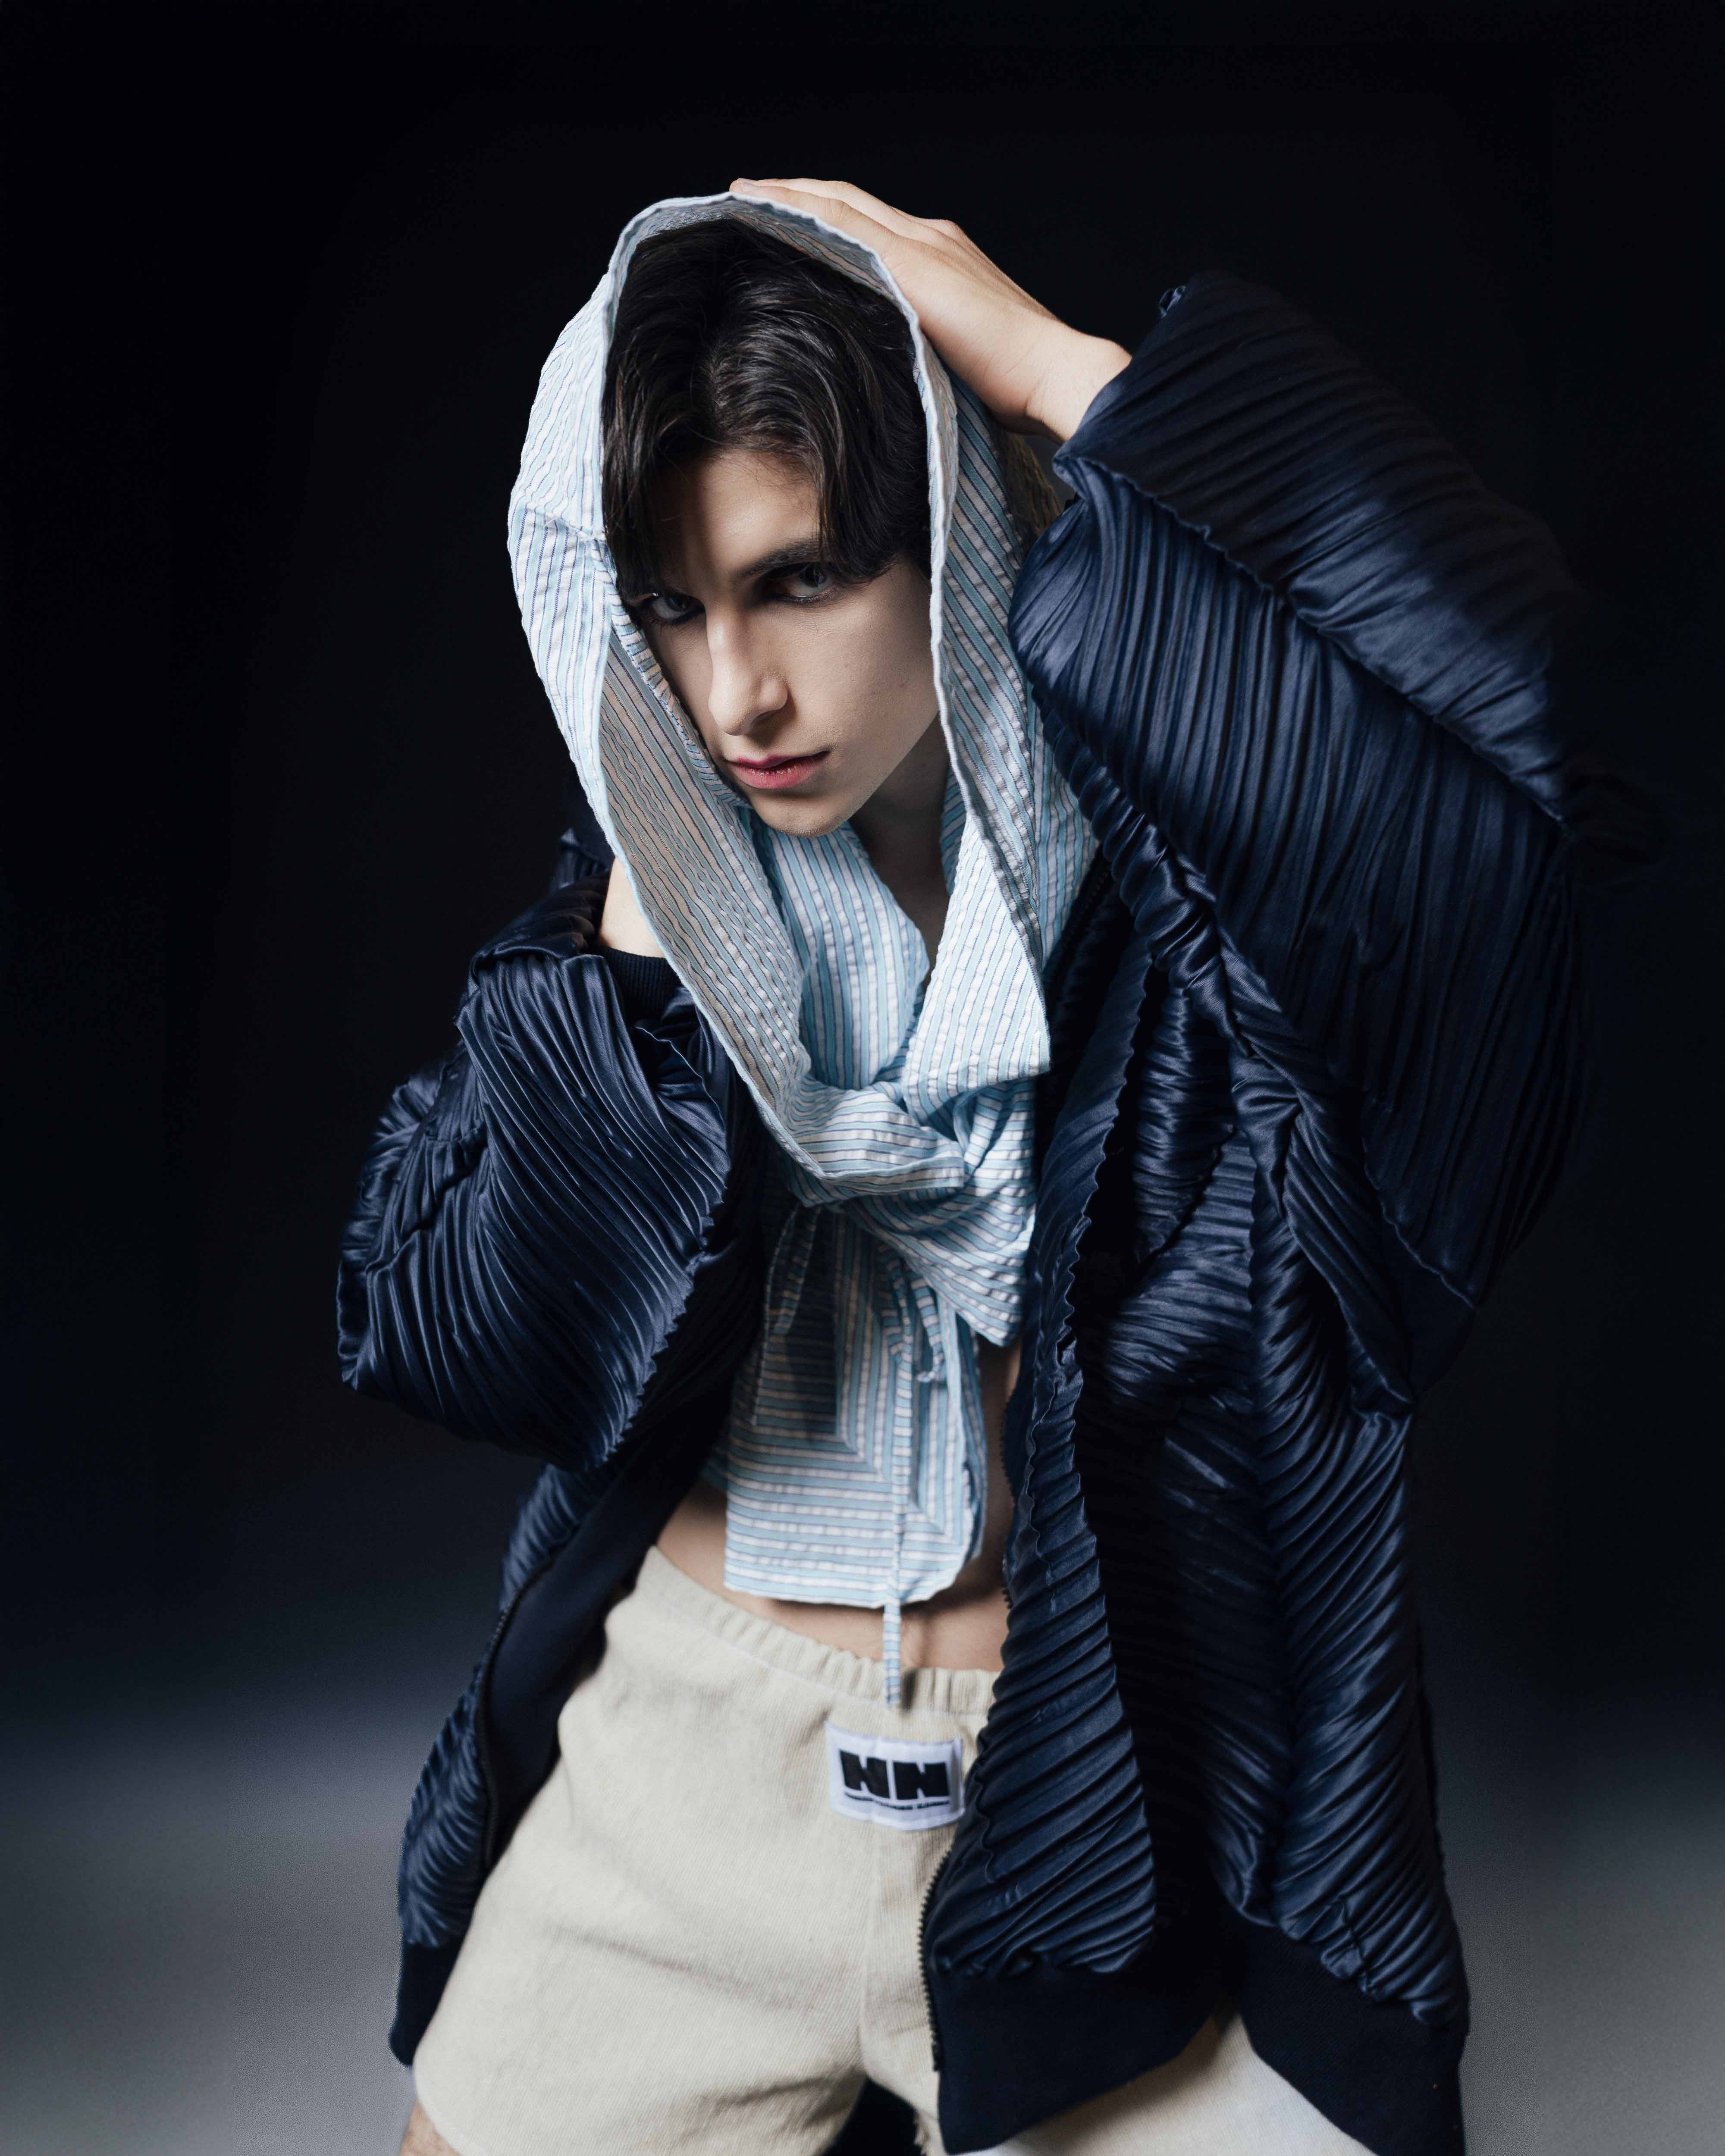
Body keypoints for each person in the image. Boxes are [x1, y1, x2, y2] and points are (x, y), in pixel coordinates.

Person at [339, 180, 1613, 2156]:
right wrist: (645, 963)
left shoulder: (1190, 909)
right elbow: (461, 1337)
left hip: (1097, 1806)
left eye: (799, 580)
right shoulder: (631, 925)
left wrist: (1066, 376)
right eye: (668, 605)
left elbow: (1523, 764)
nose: (735, 696)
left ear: (950, 532)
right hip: (685, 1770)